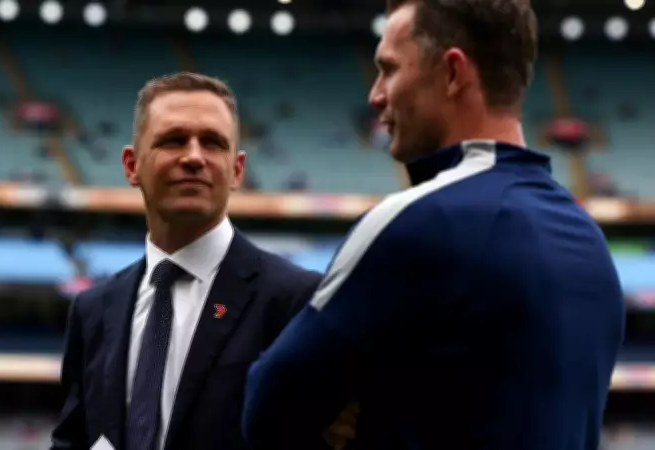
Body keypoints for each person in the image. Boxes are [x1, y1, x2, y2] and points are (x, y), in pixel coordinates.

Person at [242, 1, 625, 450]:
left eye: (389, 69)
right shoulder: (589, 242)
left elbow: (267, 409)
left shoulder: (419, 222)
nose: (375, 95)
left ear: (452, 73)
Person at [50, 72, 323, 450]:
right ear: (131, 165)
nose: (194, 157)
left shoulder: (294, 300)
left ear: (236, 170)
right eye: (173, 140)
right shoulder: (93, 310)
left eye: (212, 143)